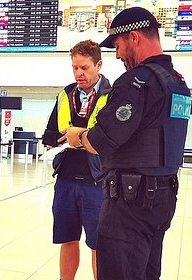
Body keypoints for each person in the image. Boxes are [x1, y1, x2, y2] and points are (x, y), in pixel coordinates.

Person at [65, 7, 191, 280]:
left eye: (119, 46)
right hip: (163, 198)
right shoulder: (177, 84)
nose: (118, 55)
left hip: (131, 203)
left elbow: (102, 139)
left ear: (134, 37)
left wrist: (79, 136)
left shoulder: (137, 82)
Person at [42, 40, 111, 280]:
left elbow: (112, 138)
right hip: (66, 179)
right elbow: (50, 131)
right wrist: (53, 142)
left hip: (97, 182)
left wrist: (80, 137)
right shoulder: (65, 94)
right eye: (75, 68)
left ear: (98, 65)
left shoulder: (111, 96)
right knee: (67, 238)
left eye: (84, 68)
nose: (79, 73)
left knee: (98, 244)